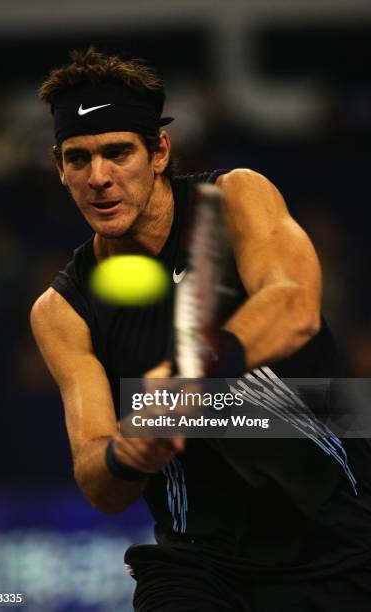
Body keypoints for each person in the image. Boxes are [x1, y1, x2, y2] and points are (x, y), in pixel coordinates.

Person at [31, 47, 371, 611]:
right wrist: (127, 454)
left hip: (340, 540)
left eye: (118, 153)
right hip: (198, 563)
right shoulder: (60, 310)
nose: (99, 178)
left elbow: (294, 307)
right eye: (78, 158)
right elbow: (97, 480)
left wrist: (192, 377)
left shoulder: (235, 197)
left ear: (159, 151)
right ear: (59, 167)